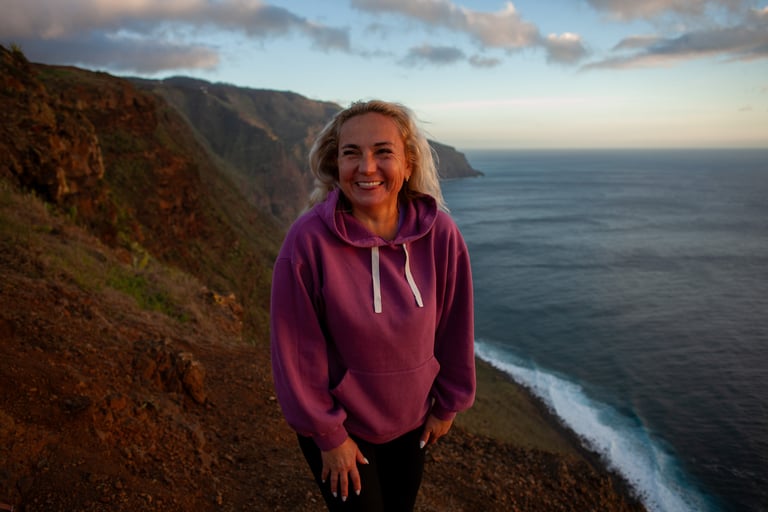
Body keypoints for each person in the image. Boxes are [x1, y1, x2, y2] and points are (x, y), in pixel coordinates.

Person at [270, 99, 476, 511]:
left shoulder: (441, 235)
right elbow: (296, 351)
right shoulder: (308, 242)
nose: (366, 168)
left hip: (412, 421)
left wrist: (448, 403)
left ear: (408, 161)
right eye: (352, 153)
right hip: (342, 425)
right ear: (336, 163)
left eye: (383, 152)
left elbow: (455, 324)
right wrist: (329, 435)